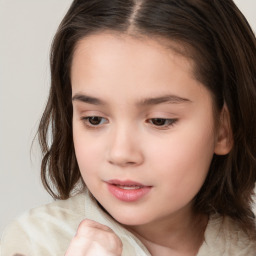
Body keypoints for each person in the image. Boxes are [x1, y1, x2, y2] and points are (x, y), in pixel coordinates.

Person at [1, 0, 256, 255]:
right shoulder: (34, 245)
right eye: (94, 119)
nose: (121, 153)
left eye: (159, 120)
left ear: (224, 128)